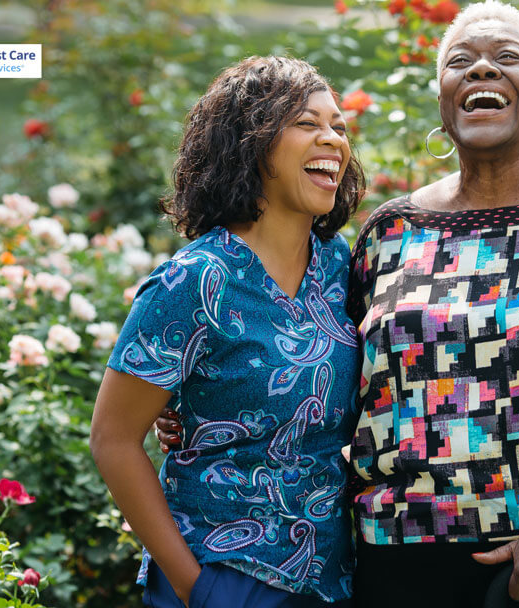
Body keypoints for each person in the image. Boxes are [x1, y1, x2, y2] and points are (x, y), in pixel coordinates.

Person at [158, 2, 519, 606]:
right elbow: (322, 358)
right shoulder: (390, 233)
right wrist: (204, 406)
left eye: (507, 59)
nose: (482, 71)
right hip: (396, 559)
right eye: (460, 62)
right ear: (443, 103)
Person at [90, 55, 365, 608]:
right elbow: (113, 439)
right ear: (250, 142)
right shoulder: (191, 281)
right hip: (224, 574)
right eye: (308, 124)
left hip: (332, 578)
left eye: (338, 126)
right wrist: (196, 588)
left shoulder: (342, 266)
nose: (332, 139)